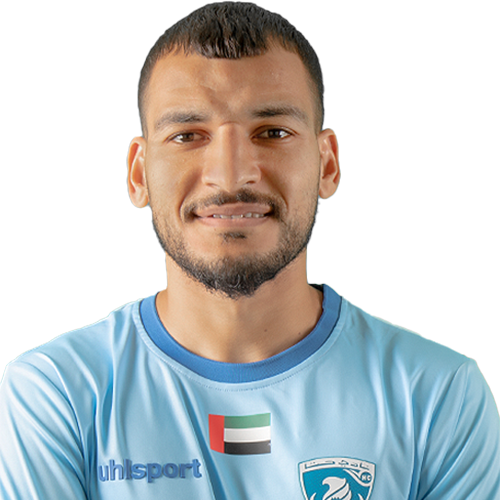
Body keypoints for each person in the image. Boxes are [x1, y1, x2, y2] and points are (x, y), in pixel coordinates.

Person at [1, 2, 498, 498]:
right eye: (187, 135)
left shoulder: (439, 395)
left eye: (273, 132)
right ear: (138, 174)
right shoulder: (57, 392)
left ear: (327, 165)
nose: (232, 174)